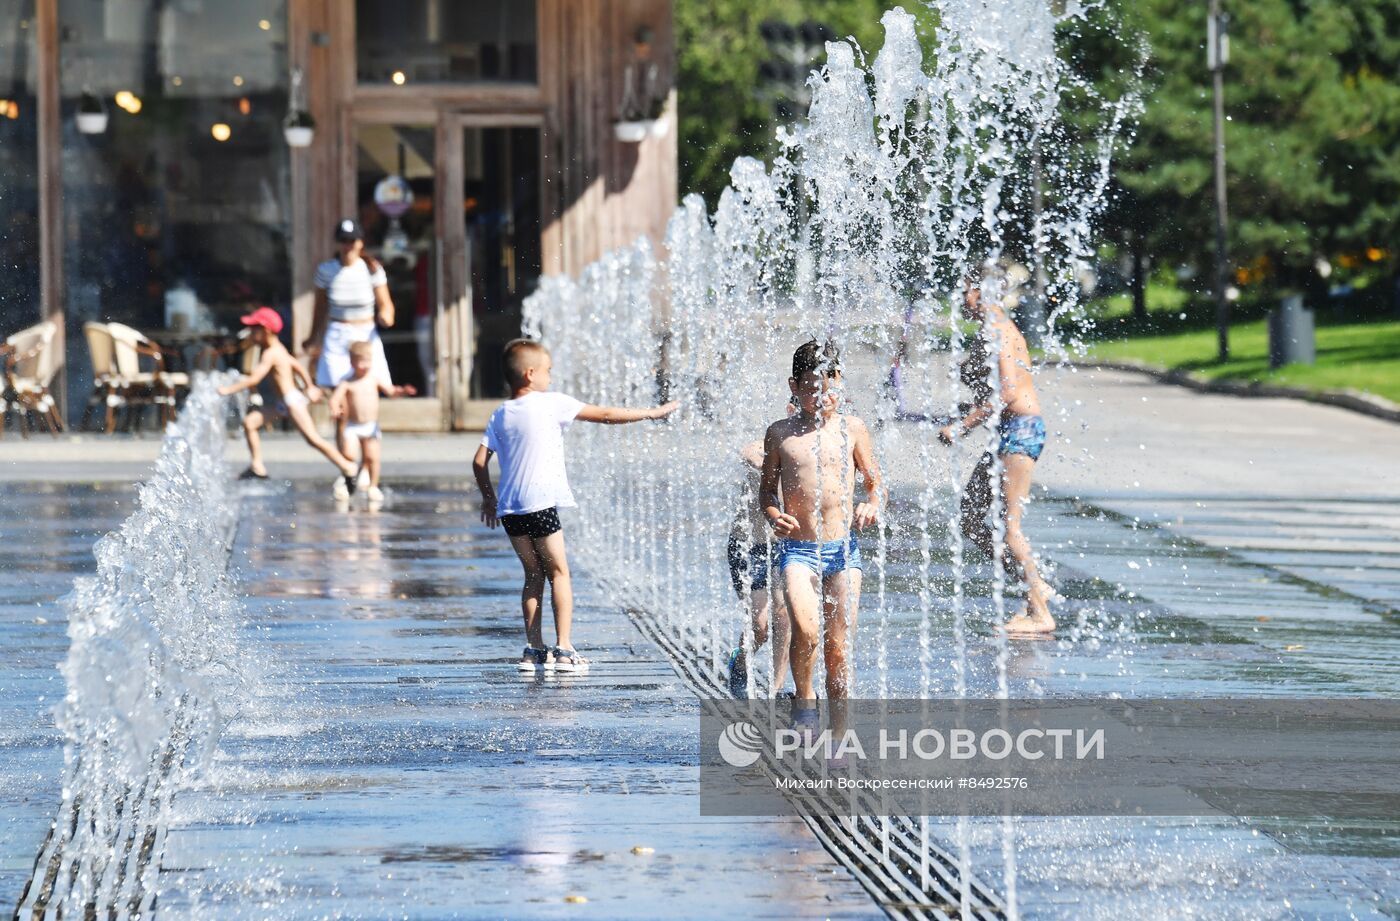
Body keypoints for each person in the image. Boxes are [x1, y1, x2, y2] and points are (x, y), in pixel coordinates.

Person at [472, 339, 679, 673]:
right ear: (529, 374)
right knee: (559, 573)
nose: (551, 378)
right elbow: (606, 415)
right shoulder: (551, 403)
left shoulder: (500, 413)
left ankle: (533, 650)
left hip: (511, 510)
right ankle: (565, 649)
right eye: (548, 372)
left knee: (532, 575)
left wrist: (488, 498)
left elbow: (479, 462)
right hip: (541, 505)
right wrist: (651, 413)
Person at [760, 340, 883, 710]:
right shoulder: (780, 433)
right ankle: (805, 699)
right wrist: (773, 514)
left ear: (838, 381)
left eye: (826, 387)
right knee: (808, 632)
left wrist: (872, 503)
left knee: (838, 650)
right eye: (810, 388)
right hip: (798, 551)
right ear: (793, 387)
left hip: (843, 553)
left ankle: (840, 733)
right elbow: (766, 493)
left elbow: (876, 483)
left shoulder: (853, 429)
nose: (819, 395)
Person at [939, 272, 1054, 634]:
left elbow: (1007, 389)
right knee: (971, 517)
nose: (960, 300)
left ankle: (1039, 612)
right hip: (1008, 432)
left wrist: (963, 426)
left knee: (1009, 527)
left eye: (965, 294)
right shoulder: (991, 330)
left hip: (1021, 430)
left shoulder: (999, 330)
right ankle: (1034, 585)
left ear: (981, 294)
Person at [218, 307, 359, 493]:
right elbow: (295, 365)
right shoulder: (277, 349)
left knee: (313, 439)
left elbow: (254, 378)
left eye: (254, 330)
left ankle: (348, 467)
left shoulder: (270, 353)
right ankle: (257, 466)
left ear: (266, 330)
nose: (251, 334)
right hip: (283, 403)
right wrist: (309, 386)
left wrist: (228, 389)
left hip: (292, 401)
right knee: (250, 423)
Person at [304, 218, 396, 476]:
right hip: (337, 333)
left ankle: (368, 466)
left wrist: (386, 316)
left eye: (352, 241)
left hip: (364, 332)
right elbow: (320, 307)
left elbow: (386, 303)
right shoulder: (327, 270)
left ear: (360, 242)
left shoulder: (371, 268)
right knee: (341, 405)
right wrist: (313, 336)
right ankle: (347, 468)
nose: (347, 246)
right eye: (343, 241)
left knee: (366, 398)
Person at [725, 437, 791, 699]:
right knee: (760, 626)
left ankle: (777, 689)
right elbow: (747, 453)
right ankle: (740, 661)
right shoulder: (773, 439)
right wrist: (782, 464)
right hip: (748, 545)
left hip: (784, 547)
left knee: (784, 617)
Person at [329, 340, 416, 505]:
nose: (364, 365)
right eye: (360, 361)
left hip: (371, 425)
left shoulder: (374, 379)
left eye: (367, 360)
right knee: (349, 454)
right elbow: (335, 399)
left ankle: (373, 486)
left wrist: (401, 391)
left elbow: (390, 391)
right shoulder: (347, 382)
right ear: (351, 362)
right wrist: (335, 408)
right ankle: (345, 480)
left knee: (373, 457)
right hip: (353, 426)